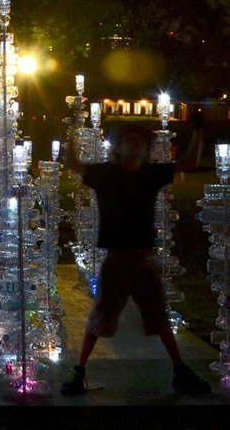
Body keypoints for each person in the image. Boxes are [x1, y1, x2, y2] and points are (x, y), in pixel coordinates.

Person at [61, 123, 211, 395]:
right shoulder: (105, 174)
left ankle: (180, 370)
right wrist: (70, 133)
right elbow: (73, 162)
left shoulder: (151, 174)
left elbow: (189, 162)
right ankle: (79, 371)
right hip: (116, 258)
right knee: (101, 316)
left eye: (140, 141)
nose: (135, 143)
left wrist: (199, 131)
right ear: (117, 148)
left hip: (143, 257)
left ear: (146, 150)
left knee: (159, 317)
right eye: (129, 139)